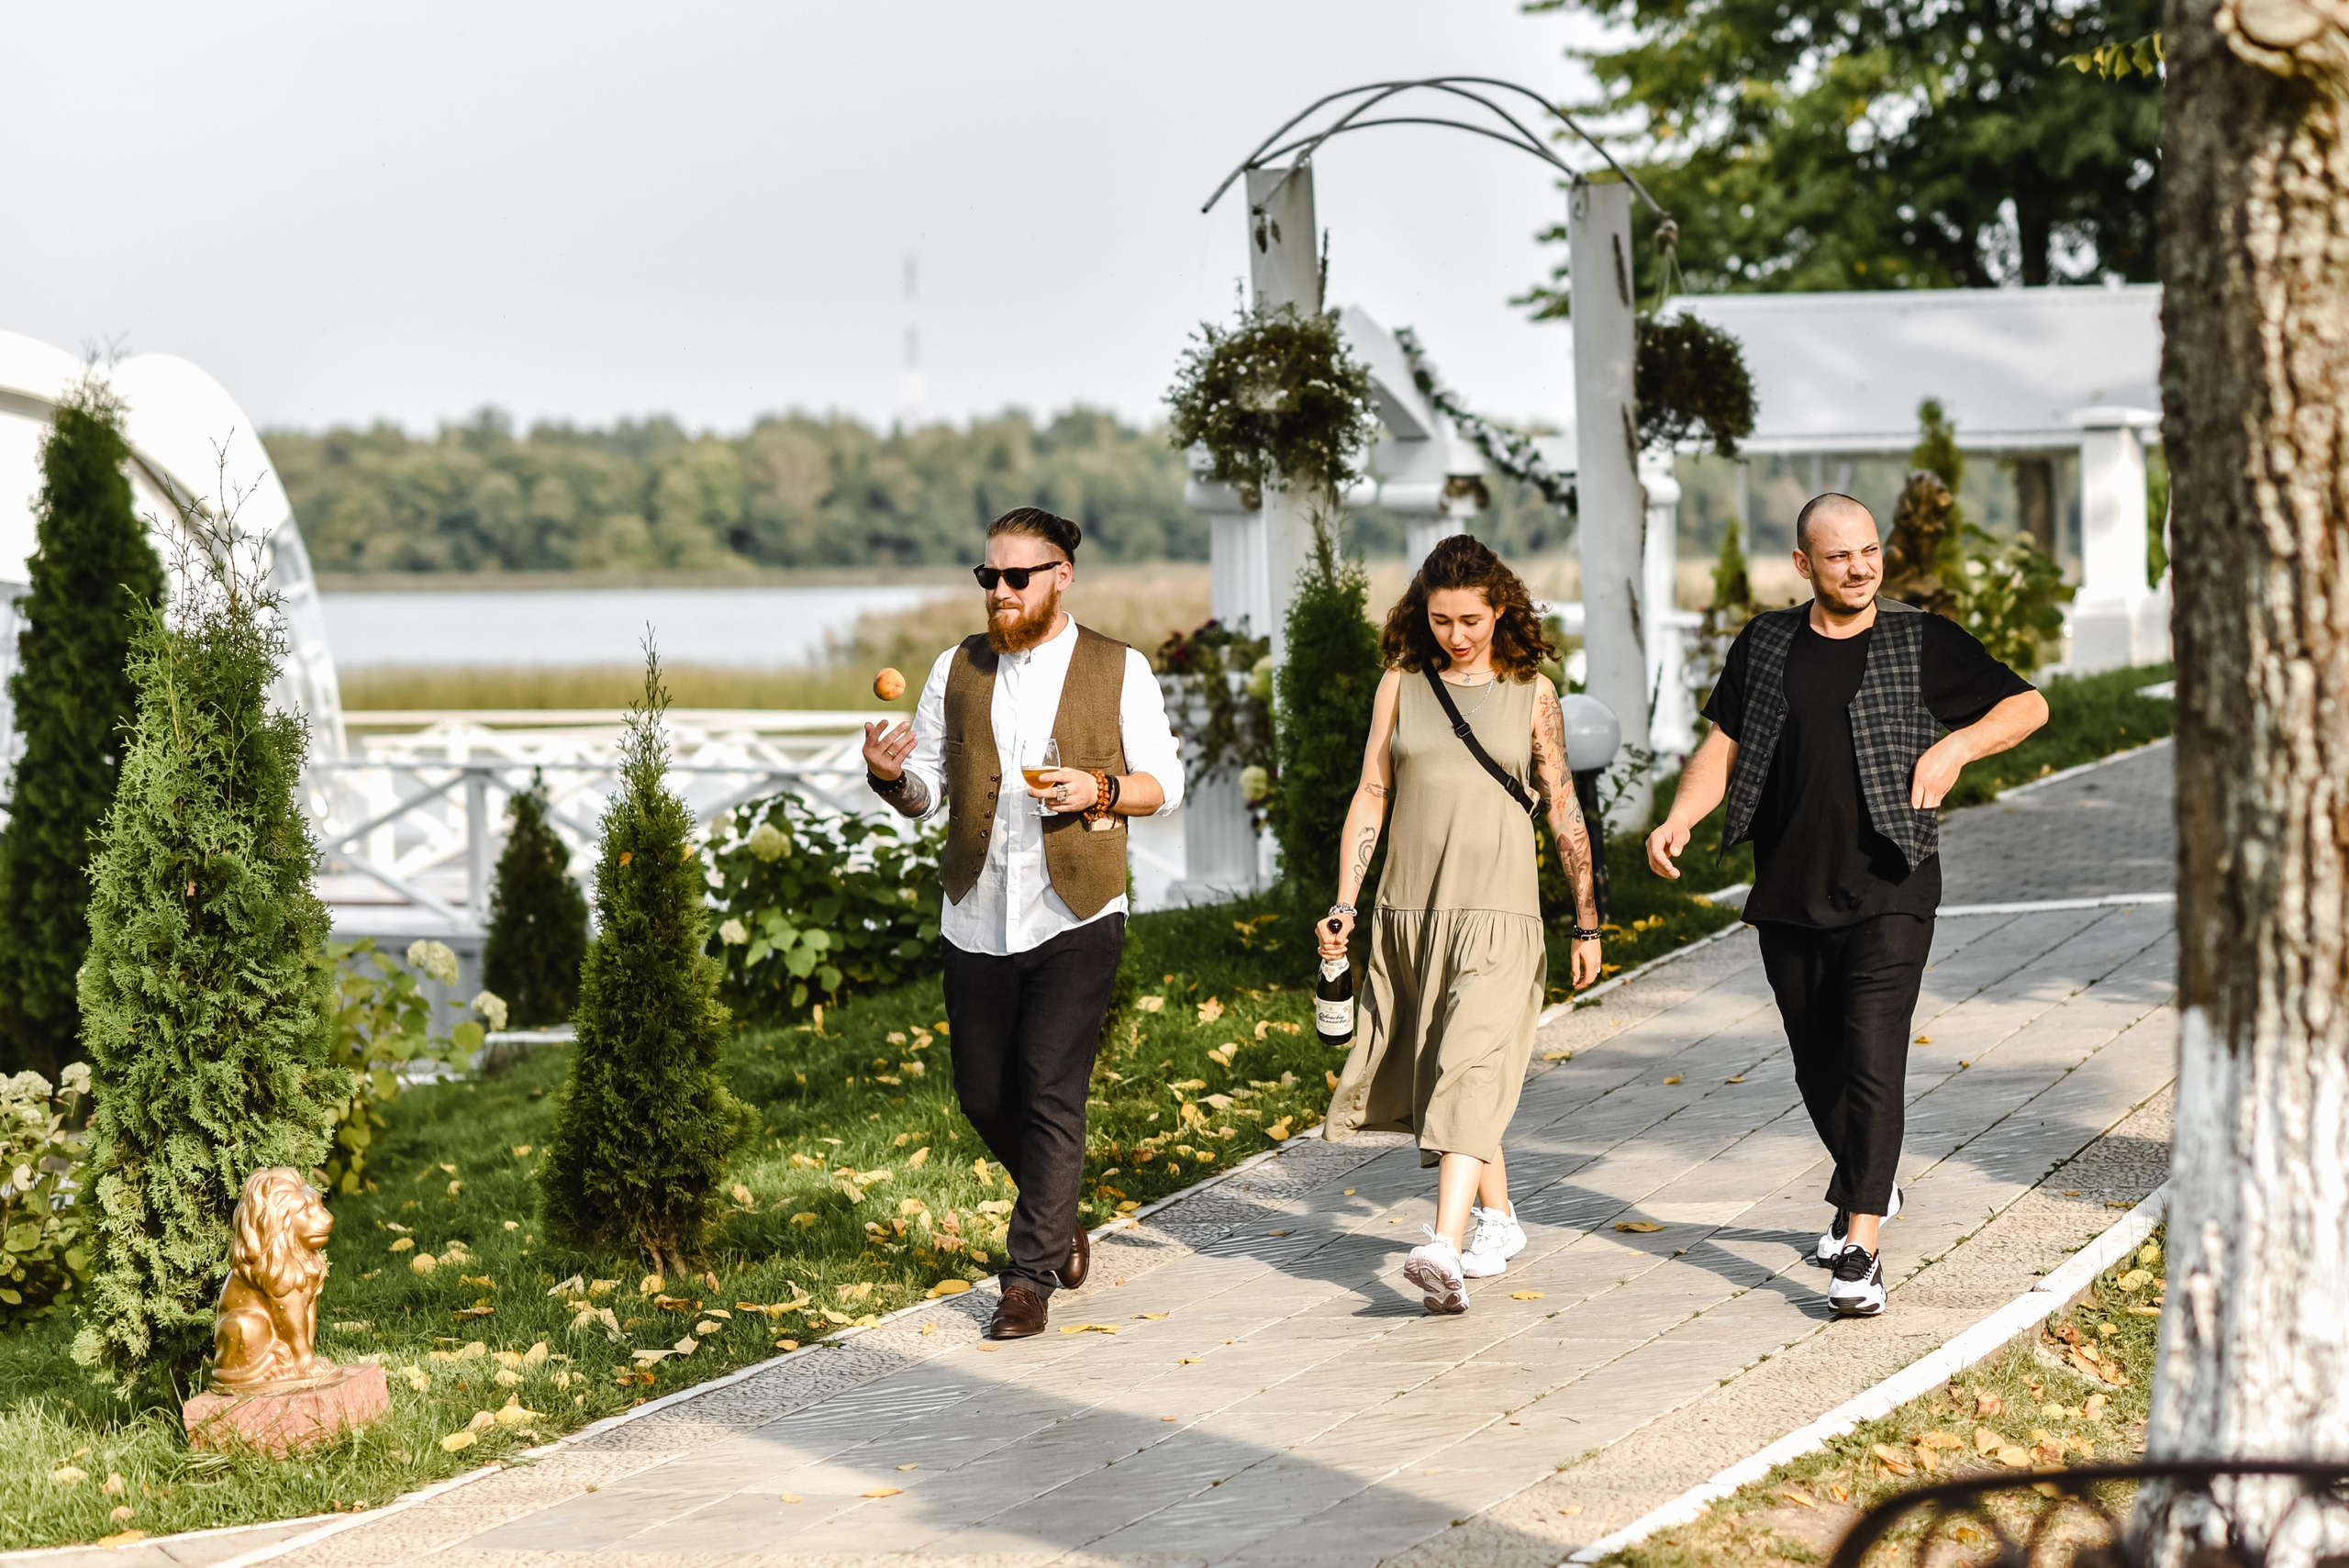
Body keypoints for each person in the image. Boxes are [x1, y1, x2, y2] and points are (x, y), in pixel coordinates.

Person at [1644, 494, 2048, 1318]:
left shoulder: (1918, 637)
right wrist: (1684, 813)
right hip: (1789, 891)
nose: (1860, 568)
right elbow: (1721, 743)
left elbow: (2029, 704)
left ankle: (1860, 1243)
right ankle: (1871, 1176)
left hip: (1892, 883)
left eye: (1869, 552)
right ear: (1804, 565)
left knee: (1871, 1056)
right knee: (1815, 1061)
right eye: (1839, 556)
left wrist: (1957, 744)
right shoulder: (1763, 644)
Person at [860, 506, 1184, 1340]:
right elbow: (926, 784)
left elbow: (1164, 783)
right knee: (981, 1091)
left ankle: (1027, 1277)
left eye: (1016, 577)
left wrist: (1100, 790)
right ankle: (1058, 1213)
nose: (999, 592)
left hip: (1075, 909)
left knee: (1048, 1086)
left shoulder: (1120, 666)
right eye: (987, 577)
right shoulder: (955, 667)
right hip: (975, 909)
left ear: (1060, 575)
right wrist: (889, 777)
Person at [1320, 535, 1604, 1315]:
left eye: (1471, 618)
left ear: (1501, 606)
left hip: (1501, 918)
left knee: (1468, 1067)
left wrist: (1586, 922)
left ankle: (1441, 1247)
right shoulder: (1402, 685)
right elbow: (1372, 792)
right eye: (1441, 619)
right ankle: (1499, 1218)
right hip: (1413, 914)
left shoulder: (1532, 693)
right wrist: (1346, 902)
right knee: (1447, 1066)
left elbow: (1564, 808)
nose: (1457, 634)